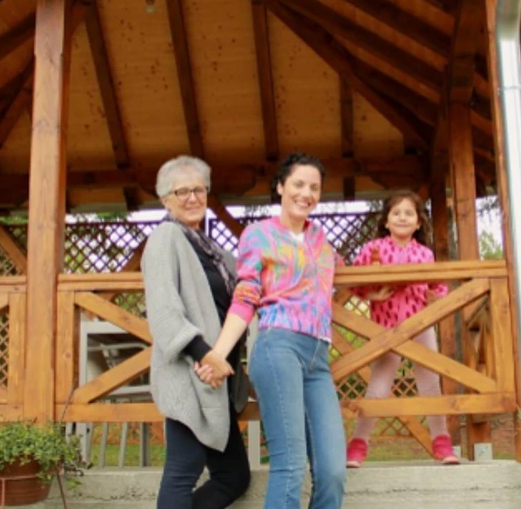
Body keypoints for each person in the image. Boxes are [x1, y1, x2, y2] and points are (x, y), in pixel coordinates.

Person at [197, 152, 347, 509]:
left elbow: (334, 275)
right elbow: (246, 296)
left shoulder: (320, 240)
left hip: (318, 358)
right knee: (290, 466)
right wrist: (217, 352)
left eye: (314, 188)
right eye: (298, 184)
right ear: (280, 186)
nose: (306, 193)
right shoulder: (259, 234)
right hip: (278, 347)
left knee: (332, 472)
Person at [142, 155, 251, 509]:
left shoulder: (215, 253)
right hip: (190, 372)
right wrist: (206, 356)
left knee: (233, 476)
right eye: (182, 191)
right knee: (183, 468)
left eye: (199, 190)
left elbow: (247, 294)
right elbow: (164, 311)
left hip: (214, 376)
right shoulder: (165, 238)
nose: (192, 198)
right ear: (166, 199)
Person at [345, 191, 461, 468]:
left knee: (430, 383)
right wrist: (372, 295)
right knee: (378, 386)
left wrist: (436, 298)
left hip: (420, 325)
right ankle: (358, 445)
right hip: (385, 329)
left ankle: (442, 442)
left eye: (409, 213)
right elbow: (354, 283)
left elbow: (439, 287)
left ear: (418, 223)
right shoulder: (372, 249)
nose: (402, 218)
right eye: (396, 213)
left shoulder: (425, 254)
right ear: (386, 221)